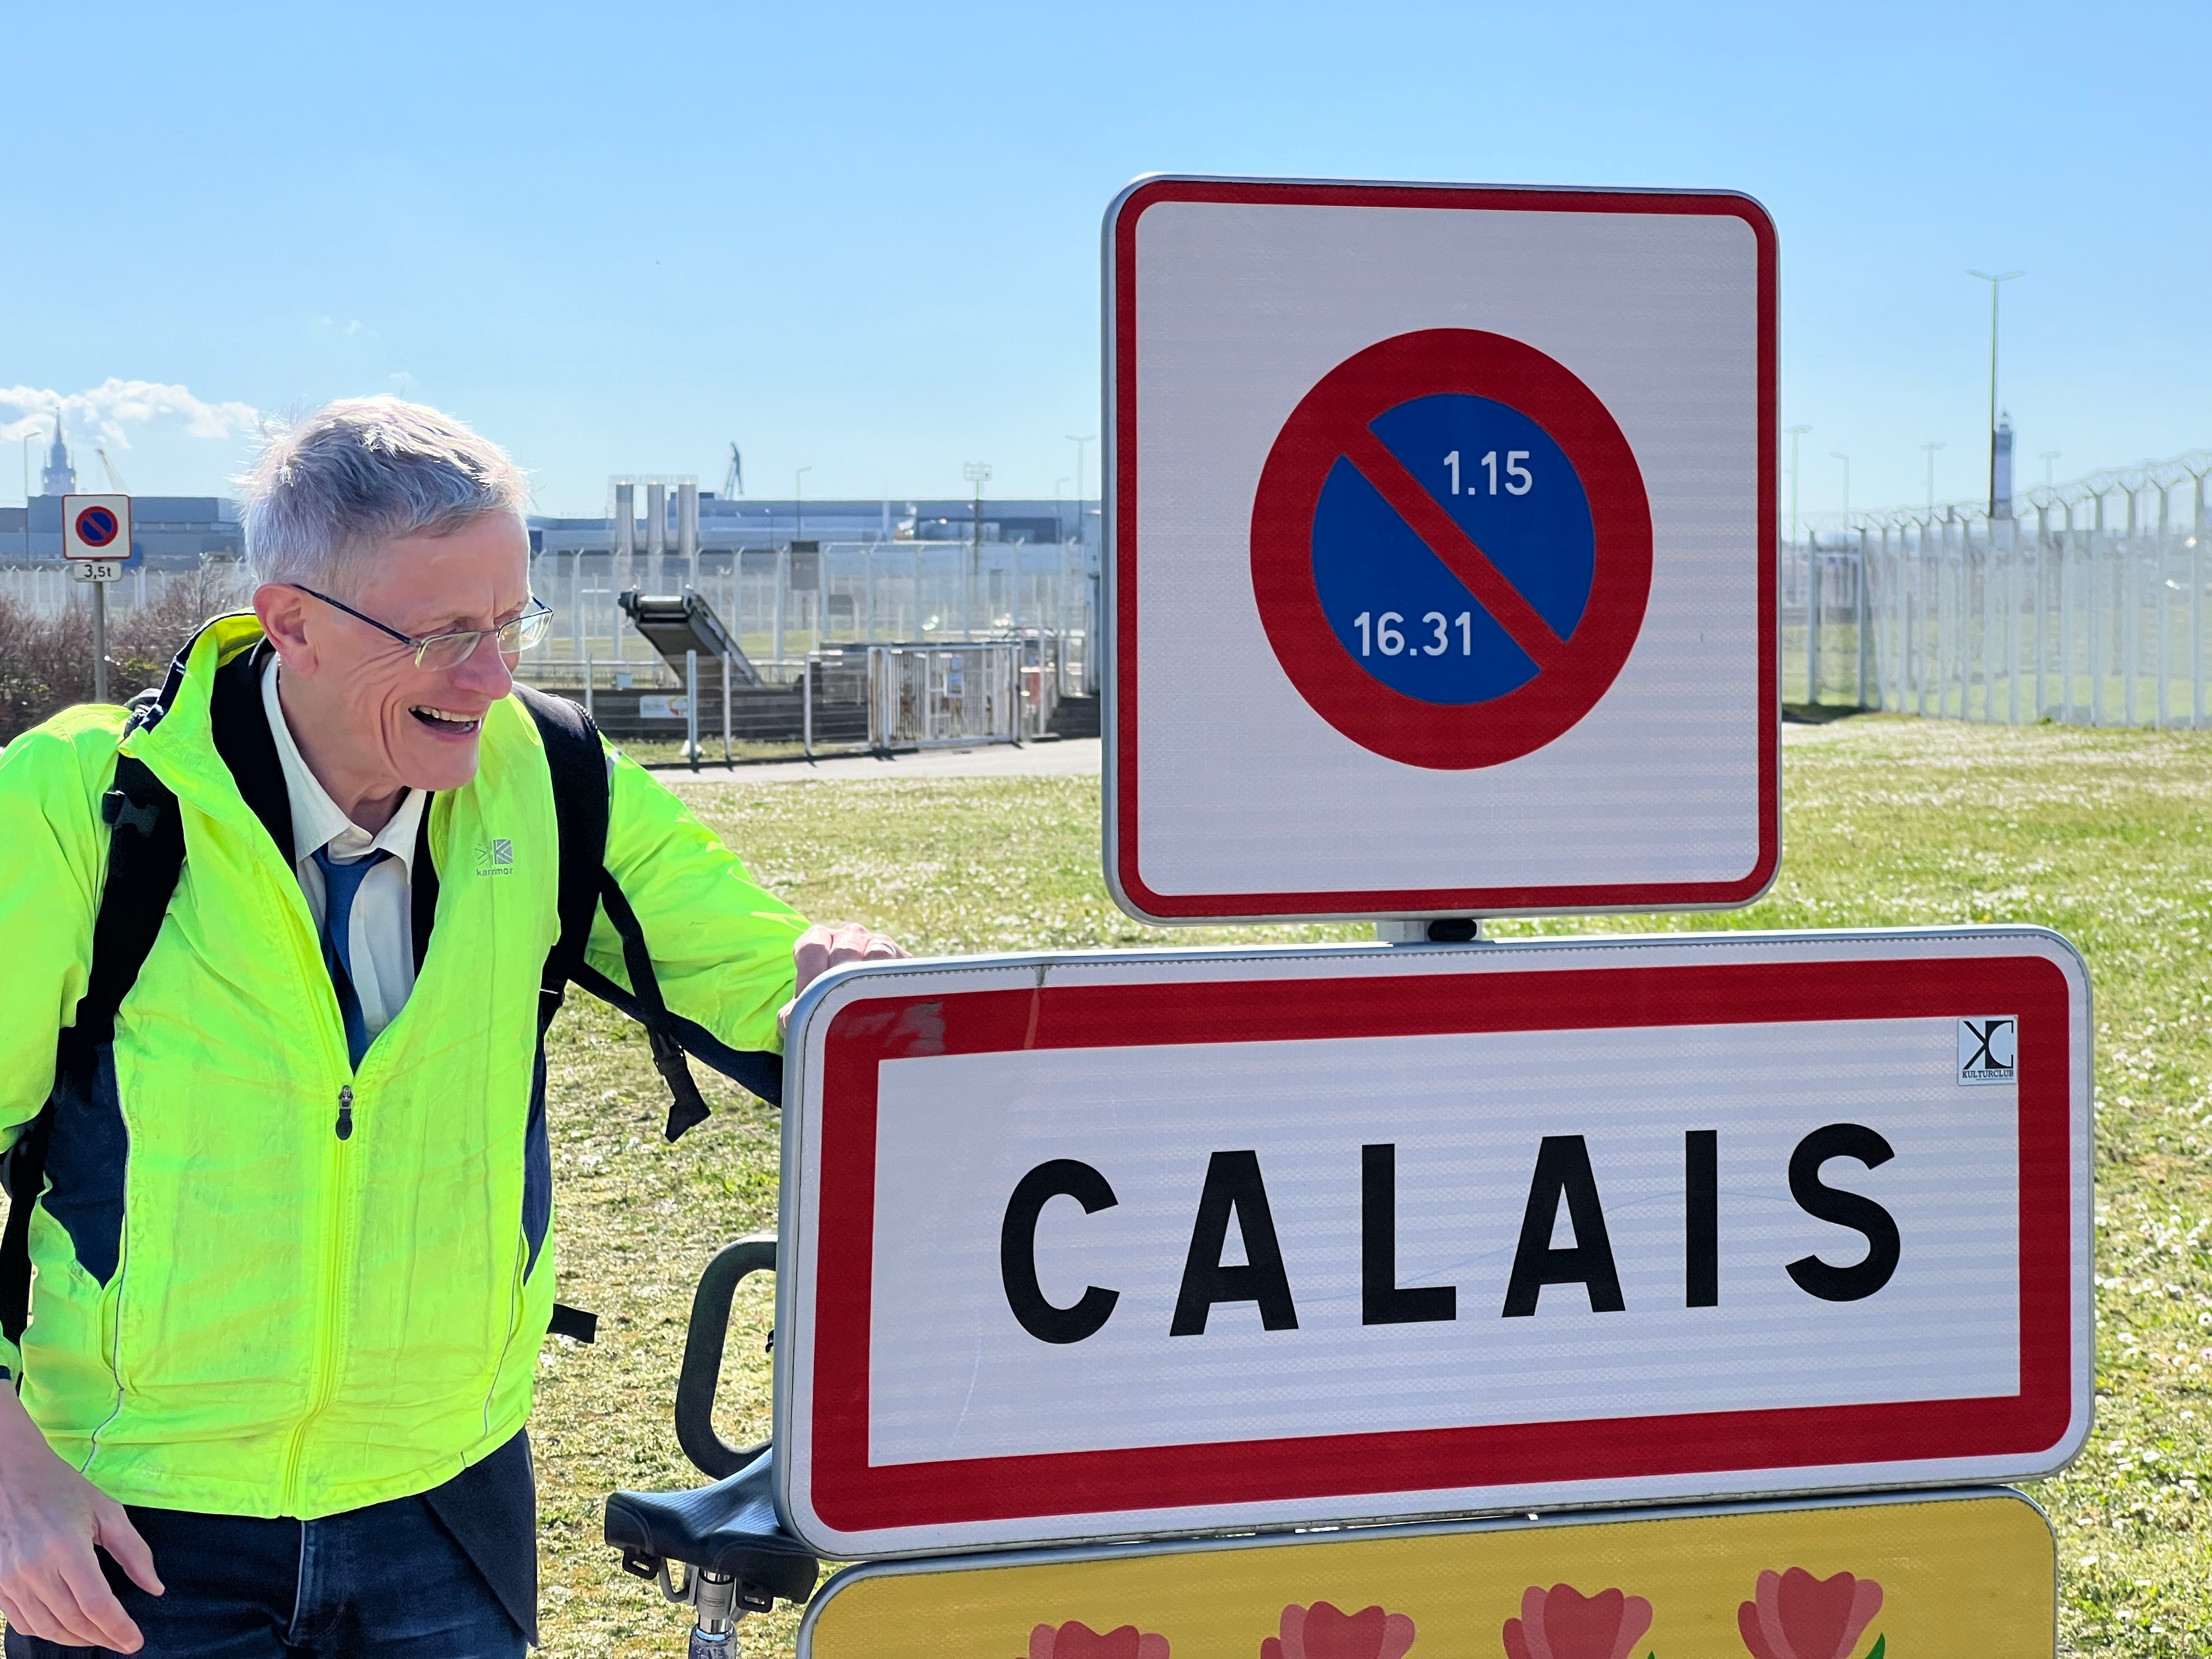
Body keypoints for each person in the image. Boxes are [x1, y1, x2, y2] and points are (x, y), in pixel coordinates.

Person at [0, 399, 903, 1656]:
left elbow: (770, 980)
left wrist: (843, 985)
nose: (489, 680)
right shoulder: (78, 806)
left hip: (447, 1503)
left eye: (508, 623)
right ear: (292, 623)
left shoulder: (554, 774)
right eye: (440, 635)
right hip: (140, 1519)